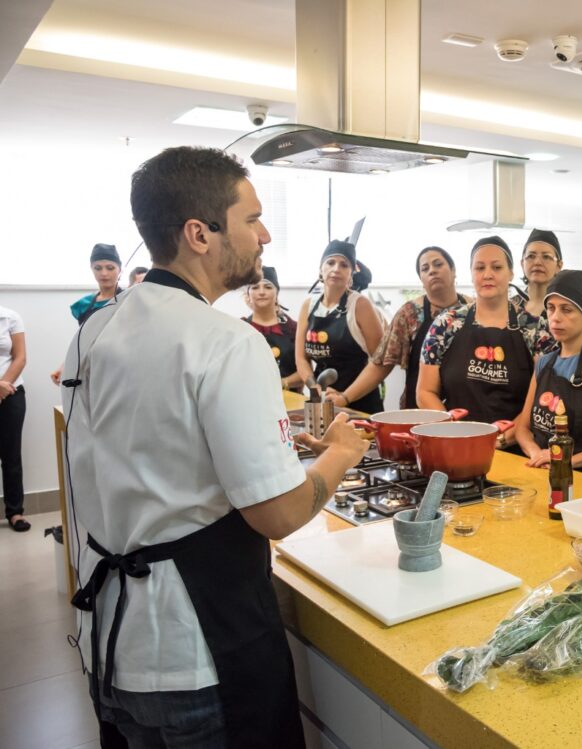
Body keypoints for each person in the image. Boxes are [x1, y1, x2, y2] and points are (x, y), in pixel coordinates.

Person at [61, 145, 368, 746]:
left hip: (112, 647)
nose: (265, 236)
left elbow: (153, 452)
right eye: (251, 219)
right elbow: (277, 515)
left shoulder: (94, 330)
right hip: (197, 653)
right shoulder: (226, 342)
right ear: (200, 233)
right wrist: (338, 454)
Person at [418, 236, 553, 446]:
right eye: (479, 268)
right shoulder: (445, 325)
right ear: (471, 274)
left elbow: (543, 398)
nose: (487, 275)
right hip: (456, 444)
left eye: (497, 267)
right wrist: (452, 429)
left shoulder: (536, 330)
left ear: (511, 273)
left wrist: (503, 438)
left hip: (516, 449)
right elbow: (425, 391)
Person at [515, 270, 582, 475]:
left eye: (567, 310)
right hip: (540, 471)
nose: (555, 318)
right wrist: (536, 453)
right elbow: (522, 428)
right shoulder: (543, 363)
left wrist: (563, 459)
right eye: (551, 308)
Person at [348, 246, 471, 411]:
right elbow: (381, 363)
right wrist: (345, 397)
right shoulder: (410, 313)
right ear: (421, 279)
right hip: (418, 412)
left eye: (438, 264)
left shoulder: (473, 309)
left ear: (453, 270)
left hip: (466, 409)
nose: (432, 271)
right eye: (425, 269)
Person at [295, 239, 385, 414]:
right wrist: (314, 387)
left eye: (344, 265)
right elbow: (301, 358)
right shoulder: (308, 305)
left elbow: (380, 362)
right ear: (321, 269)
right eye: (330, 262)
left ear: (351, 274)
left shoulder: (360, 305)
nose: (336, 269)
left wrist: (345, 398)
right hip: (323, 401)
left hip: (359, 402)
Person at [51, 245, 124, 386]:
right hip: (90, 370)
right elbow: (82, 342)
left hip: (121, 369)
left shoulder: (129, 300)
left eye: (110, 268)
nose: (104, 273)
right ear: (91, 269)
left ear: (119, 269)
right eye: (98, 268)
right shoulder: (83, 305)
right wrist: (64, 366)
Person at [242, 265, 301, 391]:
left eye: (268, 287)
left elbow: (305, 372)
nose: (261, 292)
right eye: (255, 287)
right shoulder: (241, 329)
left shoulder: (294, 329)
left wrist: (282, 383)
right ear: (248, 294)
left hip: (291, 402)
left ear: (277, 292)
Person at [0, 305, 29, 532]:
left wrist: (3, 386)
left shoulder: (10, 316)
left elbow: (20, 358)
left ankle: (15, 512)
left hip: (11, 392)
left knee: (11, 455)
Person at [511, 229, 564, 320]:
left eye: (546, 257)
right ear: (522, 264)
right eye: (531, 256)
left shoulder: (566, 308)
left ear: (559, 266)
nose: (537, 262)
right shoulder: (509, 307)